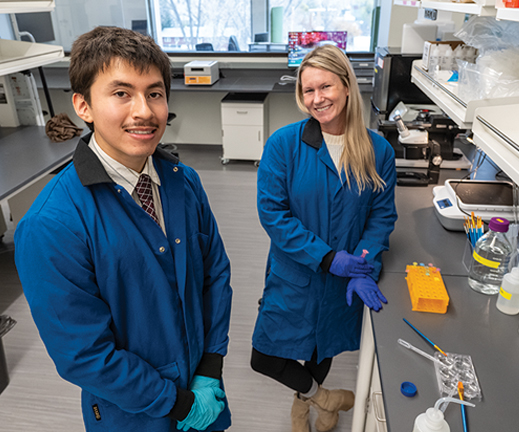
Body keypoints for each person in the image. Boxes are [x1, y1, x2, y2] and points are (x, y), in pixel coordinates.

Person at [14, 27, 232, 432]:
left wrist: (210, 367)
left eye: (154, 93)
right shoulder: (52, 225)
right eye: (121, 93)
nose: (144, 111)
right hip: (132, 414)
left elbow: (215, 275)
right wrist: (178, 403)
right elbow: (83, 354)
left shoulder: (184, 183)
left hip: (203, 389)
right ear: (83, 105)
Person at [250, 45, 397, 432]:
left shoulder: (377, 150)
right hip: (294, 274)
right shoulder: (284, 145)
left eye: (325, 87)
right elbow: (273, 215)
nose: (317, 99)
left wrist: (364, 265)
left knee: (321, 350)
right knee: (264, 357)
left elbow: (381, 216)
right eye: (308, 91)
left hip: (343, 281)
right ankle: (325, 398)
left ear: (346, 86)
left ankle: (304, 406)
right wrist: (329, 258)